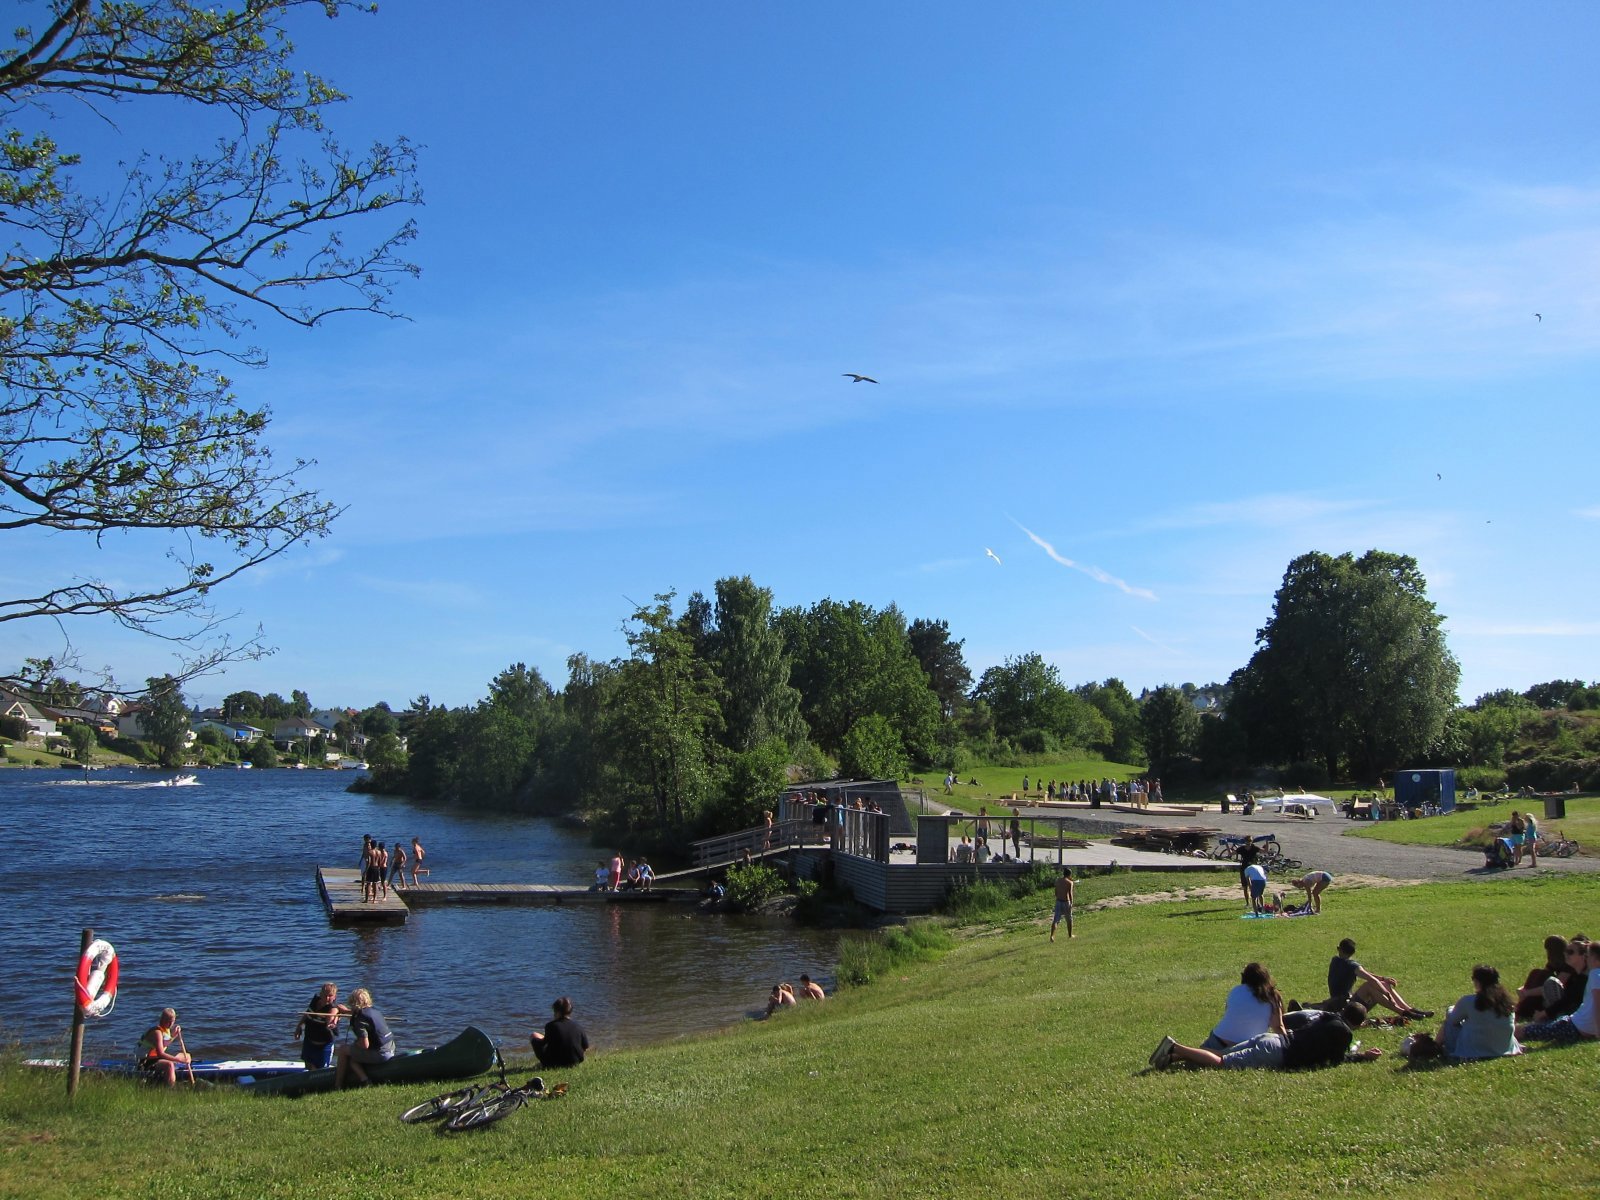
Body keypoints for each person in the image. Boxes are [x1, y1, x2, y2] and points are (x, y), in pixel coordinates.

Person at [1151, 995, 1381, 1072]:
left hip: (1274, 1039)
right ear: (1358, 1024)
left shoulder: (1327, 1016)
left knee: (1224, 1052)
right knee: (1222, 1061)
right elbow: (1338, 1059)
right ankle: (1176, 1047)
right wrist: (1362, 1056)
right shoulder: (1343, 1034)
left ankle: (1174, 1057)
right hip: (1277, 1053)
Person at [1314, 938, 1431, 1019]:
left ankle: (1409, 1010)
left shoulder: (1336, 960)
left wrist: (1383, 979)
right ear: (1353, 952)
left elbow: (1367, 974)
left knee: (1379, 984)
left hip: (1340, 1003)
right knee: (1370, 986)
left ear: (1338, 949)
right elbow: (1371, 979)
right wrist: (1386, 993)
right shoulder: (1351, 965)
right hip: (1345, 1008)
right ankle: (1404, 1011)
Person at [1518, 940, 1600, 1045]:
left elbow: (1598, 1005)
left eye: (1588, 956)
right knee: (1532, 1026)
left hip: (1574, 1027)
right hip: (1574, 1022)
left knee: (1523, 1031)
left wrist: (1598, 1031)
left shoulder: (1595, 974)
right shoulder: (1588, 975)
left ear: (1596, 961)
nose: (1586, 958)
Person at [1437, 965, 1520, 1060]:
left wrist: (1451, 1009)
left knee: (1447, 1025)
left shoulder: (1468, 1001)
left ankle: (1434, 1047)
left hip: (1473, 1051)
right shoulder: (1508, 1003)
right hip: (1504, 1049)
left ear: (1477, 982)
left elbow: (1453, 1020)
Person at [1202, 962, 1279, 1050]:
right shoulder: (1272, 996)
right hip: (1246, 1048)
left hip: (1218, 1041)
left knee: (1194, 1057)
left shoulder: (1236, 990)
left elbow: (1229, 1013)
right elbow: (1277, 1026)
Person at [333, 987, 395, 1089]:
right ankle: (364, 1079)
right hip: (391, 1048)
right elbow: (361, 1015)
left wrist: (354, 1045)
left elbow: (365, 1045)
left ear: (353, 1002)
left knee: (343, 1050)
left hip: (381, 1054)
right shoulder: (375, 1012)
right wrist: (345, 1011)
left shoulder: (360, 1020)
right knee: (353, 1057)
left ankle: (338, 1085)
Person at [1517, 935, 1579, 1020]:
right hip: (1550, 987)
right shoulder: (1554, 962)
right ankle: (1523, 1007)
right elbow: (1541, 975)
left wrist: (1527, 992)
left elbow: (1556, 984)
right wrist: (1523, 989)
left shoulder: (1568, 964)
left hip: (1561, 992)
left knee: (1542, 976)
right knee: (1536, 972)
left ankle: (1524, 1009)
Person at [294, 982, 343, 1071]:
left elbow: (332, 1017)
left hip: (323, 1046)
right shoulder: (315, 1000)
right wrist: (299, 1026)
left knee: (320, 1071)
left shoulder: (333, 1008)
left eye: (330, 996)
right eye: (325, 995)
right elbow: (307, 1013)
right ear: (320, 994)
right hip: (309, 1041)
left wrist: (331, 1022)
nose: (327, 998)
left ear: (335, 997)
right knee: (308, 1066)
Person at [530, 996, 590, 1067]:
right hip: (575, 1062)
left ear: (557, 1012)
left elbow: (543, 1043)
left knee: (534, 1035)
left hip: (554, 1063)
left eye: (554, 1011)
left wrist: (535, 1040)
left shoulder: (550, 1025)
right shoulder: (578, 1026)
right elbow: (586, 1046)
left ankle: (544, 1064)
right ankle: (571, 1060)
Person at [138, 1008, 191, 1086]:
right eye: (168, 1021)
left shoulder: (165, 1028)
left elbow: (164, 1044)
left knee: (187, 1055)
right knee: (169, 1065)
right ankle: (171, 1088)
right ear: (162, 1019)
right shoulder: (157, 1032)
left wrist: (174, 1035)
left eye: (172, 1021)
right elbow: (160, 1053)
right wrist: (177, 1059)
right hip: (146, 1061)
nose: (170, 1024)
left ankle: (178, 1076)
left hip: (155, 1058)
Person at [1050, 867, 1075, 942]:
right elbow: (1070, 894)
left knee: (1056, 920)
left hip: (1058, 901)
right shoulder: (1070, 882)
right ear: (1069, 874)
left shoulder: (1058, 881)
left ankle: (1052, 936)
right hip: (1066, 902)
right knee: (1069, 919)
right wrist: (1071, 903)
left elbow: (1056, 892)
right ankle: (1070, 935)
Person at [1237, 839, 1261, 909]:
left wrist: (1267, 841)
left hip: (1253, 868)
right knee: (1245, 887)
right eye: (1247, 841)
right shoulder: (1241, 849)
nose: (1248, 843)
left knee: (1254, 886)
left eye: (1249, 841)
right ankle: (1248, 903)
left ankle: (1257, 903)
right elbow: (1230, 853)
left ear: (1251, 842)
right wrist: (1227, 844)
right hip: (1244, 869)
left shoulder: (1254, 848)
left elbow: (1265, 851)